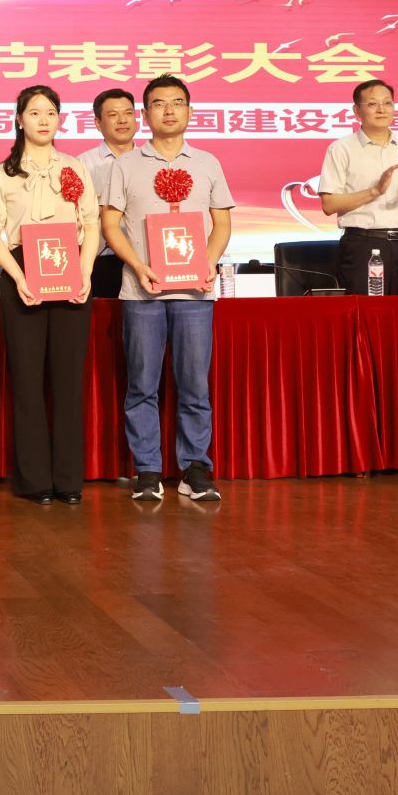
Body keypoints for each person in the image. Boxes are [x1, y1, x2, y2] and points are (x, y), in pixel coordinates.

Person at [100, 75, 233, 504]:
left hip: (195, 293)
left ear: (190, 111)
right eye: (159, 103)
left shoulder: (208, 162)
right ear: (146, 113)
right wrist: (138, 266)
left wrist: (207, 262)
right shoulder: (125, 165)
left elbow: (222, 222)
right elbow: (109, 223)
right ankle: (147, 470)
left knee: (195, 385)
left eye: (178, 102)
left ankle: (195, 468)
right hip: (142, 293)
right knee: (142, 384)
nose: (169, 110)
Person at [0, 85, 101, 506]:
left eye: (51, 112)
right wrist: (17, 276)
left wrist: (85, 272)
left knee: (68, 381)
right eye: (34, 113)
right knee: (28, 382)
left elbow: (91, 224)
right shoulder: (2, 173)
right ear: (19, 120)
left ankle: (68, 480)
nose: (44, 120)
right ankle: (34, 481)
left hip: (69, 267)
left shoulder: (75, 167)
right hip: (22, 272)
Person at [319, 79, 398, 295]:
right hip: (362, 245)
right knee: (364, 311)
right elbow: (329, 204)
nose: (382, 109)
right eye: (373, 104)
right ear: (357, 111)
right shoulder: (341, 148)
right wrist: (375, 191)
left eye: (388, 103)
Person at [77, 87, 139, 299]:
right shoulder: (82, 164)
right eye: (113, 115)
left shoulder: (151, 160)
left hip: (146, 257)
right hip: (101, 258)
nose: (122, 120)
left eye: (128, 113)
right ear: (98, 123)